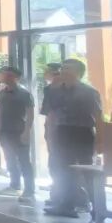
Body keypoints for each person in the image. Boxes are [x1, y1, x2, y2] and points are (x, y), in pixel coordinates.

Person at [41, 58, 104, 218]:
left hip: (82, 132)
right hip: (62, 132)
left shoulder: (89, 91)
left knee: (87, 172)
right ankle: (66, 205)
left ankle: (97, 212)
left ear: (78, 73)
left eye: (68, 68)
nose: (63, 71)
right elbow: (50, 114)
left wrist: (100, 140)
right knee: (63, 171)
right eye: (63, 68)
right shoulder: (54, 91)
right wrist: (50, 135)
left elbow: (98, 117)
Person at [0, 66, 37, 204]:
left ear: (17, 78)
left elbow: (30, 114)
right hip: (4, 131)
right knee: (10, 159)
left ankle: (29, 190)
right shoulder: (2, 93)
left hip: (19, 131)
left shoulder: (24, 94)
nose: (6, 77)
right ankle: (14, 185)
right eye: (5, 75)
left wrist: (27, 131)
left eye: (9, 75)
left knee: (24, 161)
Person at [39, 62, 63, 190]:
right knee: (54, 155)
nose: (44, 73)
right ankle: (57, 184)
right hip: (52, 124)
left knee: (58, 155)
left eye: (47, 71)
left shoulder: (52, 89)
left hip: (58, 126)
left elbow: (49, 110)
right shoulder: (48, 89)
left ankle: (60, 184)